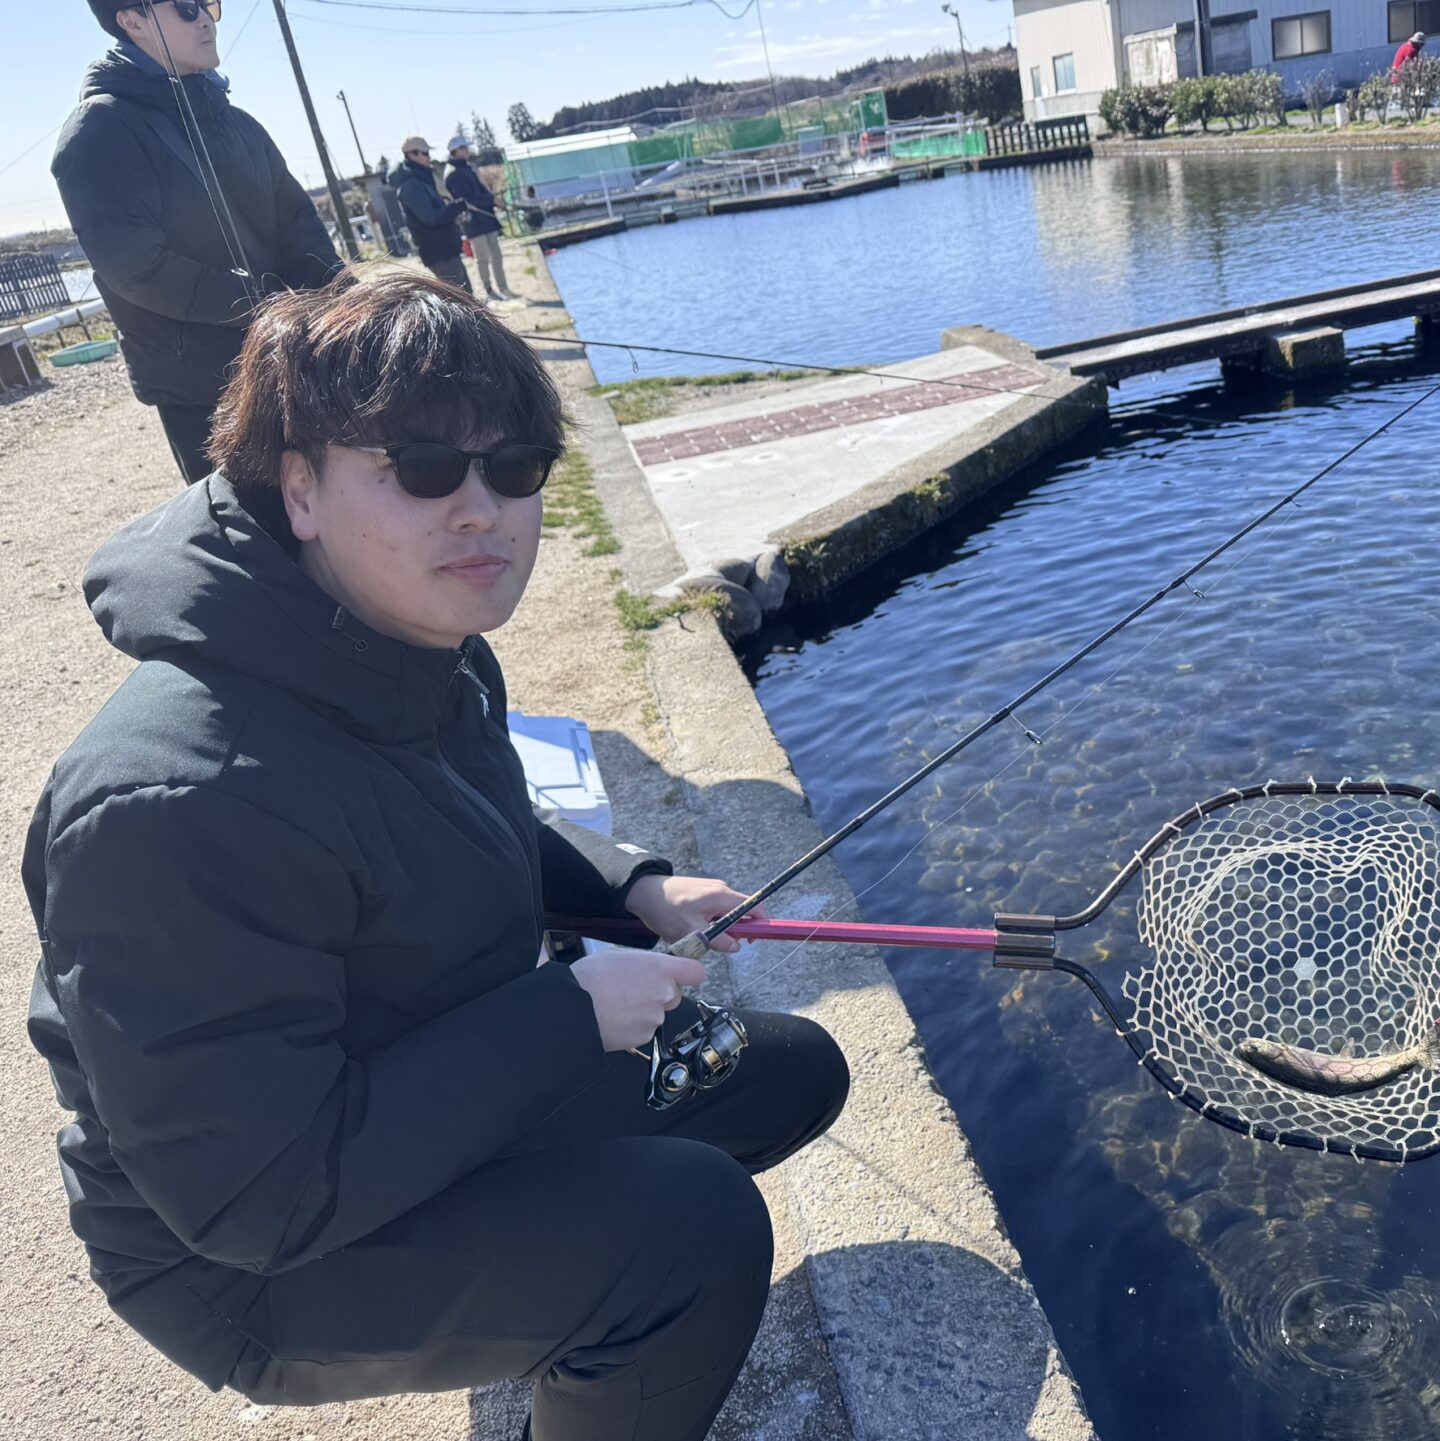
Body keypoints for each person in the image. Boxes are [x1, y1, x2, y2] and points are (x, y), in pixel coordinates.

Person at [22, 272, 849, 1441]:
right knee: (693, 1231)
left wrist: (633, 884)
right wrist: (569, 1014)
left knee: (793, 1071)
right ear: (299, 487)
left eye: (514, 468)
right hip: (249, 1259)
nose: (481, 510)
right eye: (421, 467)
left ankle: (548, 1290)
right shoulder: (175, 803)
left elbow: (475, 814)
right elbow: (255, 1198)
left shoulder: (421, 644)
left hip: (420, 1084)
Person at [54, 0, 343, 484]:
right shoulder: (101, 128)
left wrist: (348, 304)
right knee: (252, 522)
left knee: (330, 510)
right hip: (206, 387)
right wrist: (266, 306)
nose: (207, 19)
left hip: (297, 360)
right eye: (187, 8)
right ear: (132, 21)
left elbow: (299, 227)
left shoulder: (238, 123)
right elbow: (135, 267)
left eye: (210, 4)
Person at [389, 136, 471, 291]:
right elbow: (430, 218)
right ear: (411, 155)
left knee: (466, 295)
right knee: (459, 297)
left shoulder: (421, 179)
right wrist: (456, 207)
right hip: (438, 252)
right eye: (425, 153)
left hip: (446, 249)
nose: (429, 157)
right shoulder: (410, 185)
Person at [445, 133, 517, 301]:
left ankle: (504, 288)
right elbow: (467, 199)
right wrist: (492, 200)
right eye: (463, 148)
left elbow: (481, 190)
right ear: (456, 150)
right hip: (473, 222)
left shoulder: (468, 168)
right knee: (482, 257)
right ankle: (489, 290)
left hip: (487, 218)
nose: (467, 150)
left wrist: (494, 201)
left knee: (496, 255)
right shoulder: (452, 174)